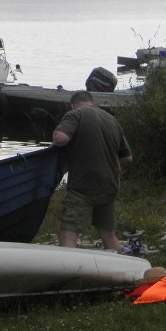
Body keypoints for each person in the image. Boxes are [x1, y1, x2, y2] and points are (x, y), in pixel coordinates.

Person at [52, 90, 133, 252]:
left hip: (83, 188)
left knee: (68, 233)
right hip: (109, 187)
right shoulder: (111, 119)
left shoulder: (75, 114)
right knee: (108, 234)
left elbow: (61, 138)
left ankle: (68, 272)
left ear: (72, 105)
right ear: (93, 102)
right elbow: (127, 158)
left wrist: (55, 136)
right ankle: (122, 269)